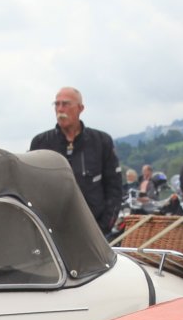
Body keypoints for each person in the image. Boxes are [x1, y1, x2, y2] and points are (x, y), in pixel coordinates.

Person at [28, 86, 122, 235]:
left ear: (80, 108)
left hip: (93, 230)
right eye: (57, 104)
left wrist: (104, 227)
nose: (60, 109)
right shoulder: (41, 143)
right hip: (52, 232)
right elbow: (30, 188)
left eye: (65, 104)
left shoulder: (101, 142)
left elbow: (114, 188)